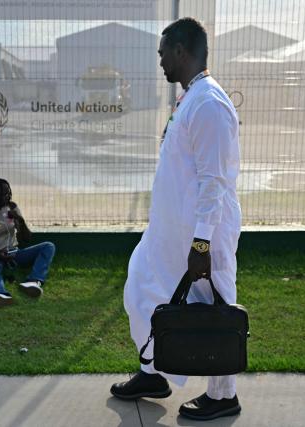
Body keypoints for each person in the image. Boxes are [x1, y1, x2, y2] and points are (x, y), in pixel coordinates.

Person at [109, 18, 242, 421]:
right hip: (167, 232)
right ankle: (153, 372)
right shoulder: (191, 98)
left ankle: (223, 395)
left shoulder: (210, 104)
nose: (160, 61)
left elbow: (214, 181)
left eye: (163, 53)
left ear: (182, 51)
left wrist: (201, 244)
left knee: (216, 308)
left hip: (202, 236)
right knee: (141, 287)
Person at [0, 177, 56, 308]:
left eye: (9, 192)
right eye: (4, 194)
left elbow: (26, 238)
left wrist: (20, 221)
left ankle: (33, 282)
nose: (9, 196)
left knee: (48, 246)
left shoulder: (11, 207)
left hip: (15, 252)